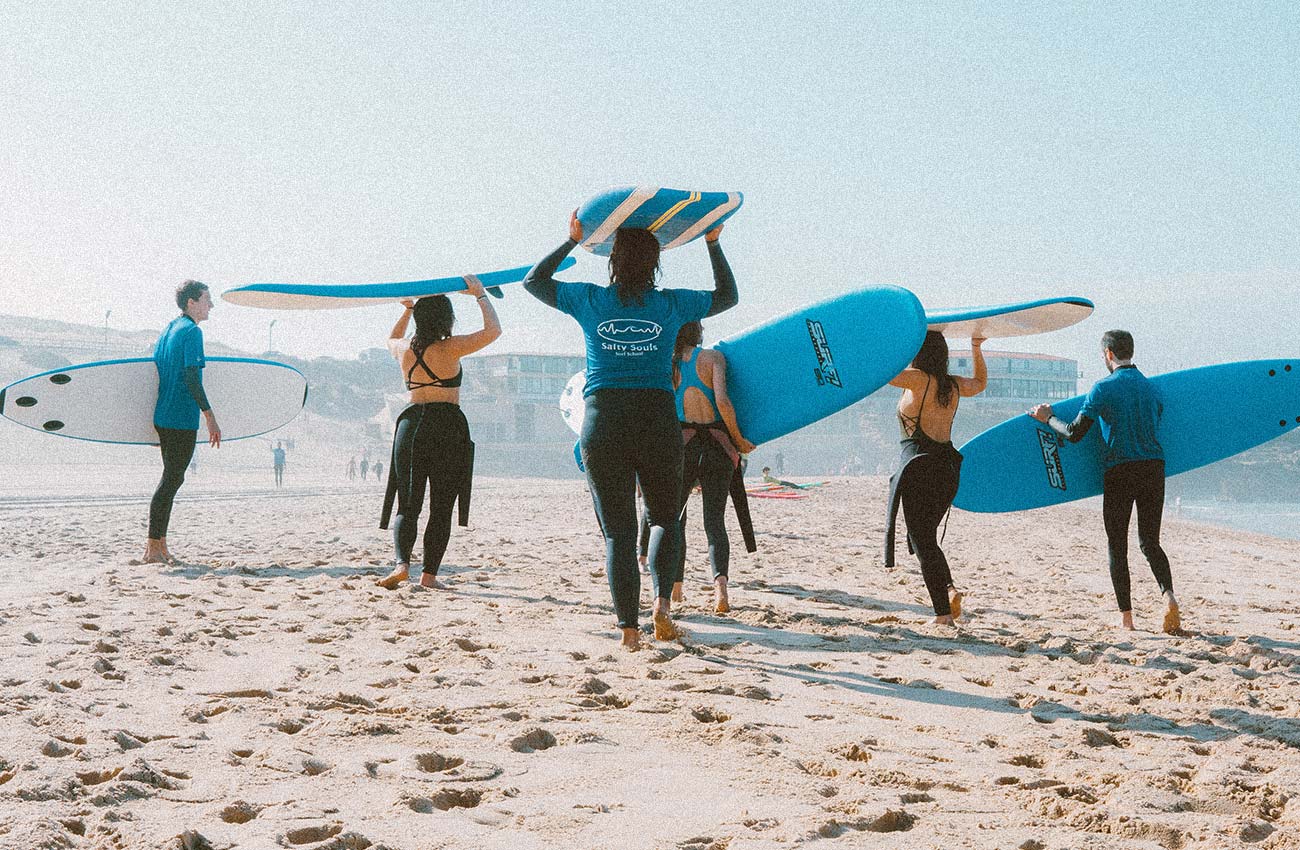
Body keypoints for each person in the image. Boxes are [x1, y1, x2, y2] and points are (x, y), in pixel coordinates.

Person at [524, 211, 738, 650]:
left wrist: (570, 240)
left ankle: (628, 631)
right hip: (657, 418)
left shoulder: (589, 300)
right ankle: (661, 607)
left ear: (611, 261)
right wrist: (712, 242)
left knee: (619, 533)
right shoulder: (672, 304)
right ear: (656, 263)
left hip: (603, 418)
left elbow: (534, 282)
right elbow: (727, 297)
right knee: (664, 517)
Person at [1030, 330, 1179, 633]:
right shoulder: (1152, 389)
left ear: (1109, 354)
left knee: (1117, 545)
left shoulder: (1102, 388)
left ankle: (1127, 619)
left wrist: (1047, 418)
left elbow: (1074, 433)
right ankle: (1169, 597)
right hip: (1153, 468)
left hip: (1120, 470)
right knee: (1150, 541)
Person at [375, 276, 500, 590]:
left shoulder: (403, 349)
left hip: (411, 425)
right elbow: (493, 331)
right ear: (447, 319)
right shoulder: (453, 347)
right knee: (441, 506)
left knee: (408, 504)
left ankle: (402, 565)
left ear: (419, 319)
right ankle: (429, 576)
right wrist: (480, 296)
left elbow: (391, 339)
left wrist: (406, 310)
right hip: (447, 426)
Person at [884, 333, 987, 625]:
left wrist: (902, 339)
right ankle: (949, 588)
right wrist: (976, 347)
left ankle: (943, 615)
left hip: (919, 468)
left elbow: (886, 374)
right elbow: (980, 384)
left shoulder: (917, 379)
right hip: (947, 469)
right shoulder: (951, 384)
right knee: (925, 539)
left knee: (922, 541)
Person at [671, 320, 756, 613]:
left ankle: (676, 588)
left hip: (682, 447)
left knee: (674, 519)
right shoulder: (712, 358)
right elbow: (722, 401)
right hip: (717, 447)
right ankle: (721, 591)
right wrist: (739, 440)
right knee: (714, 522)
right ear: (698, 332)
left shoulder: (666, 364)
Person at [144, 280, 221, 564]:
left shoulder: (168, 330)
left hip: (164, 415)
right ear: (191, 302)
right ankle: (153, 547)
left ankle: (160, 545)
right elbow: (191, 377)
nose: (211, 305)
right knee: (171, 480)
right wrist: (210, 417)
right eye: (206, 299)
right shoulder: (192, 332)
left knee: (172, 478)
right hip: (180, 417)